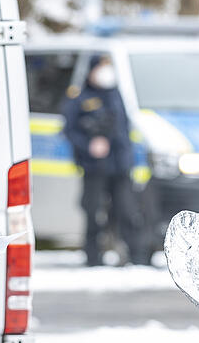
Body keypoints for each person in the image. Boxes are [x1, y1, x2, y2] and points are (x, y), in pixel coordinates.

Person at [62, 55, 149, 266]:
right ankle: (93, 258)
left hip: (120, 166)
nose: (105, 73)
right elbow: (70, 130)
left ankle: (137, 257)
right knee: (93, 213)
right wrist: (88, 145)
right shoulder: (80, 98)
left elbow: (124, 129)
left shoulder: (115, 95)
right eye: (101, 68)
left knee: (127, 211)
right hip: (95, 168)